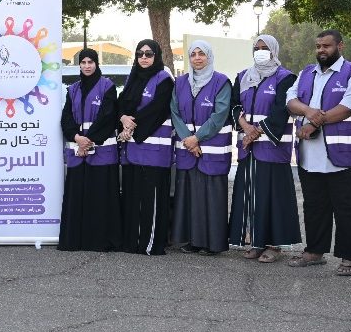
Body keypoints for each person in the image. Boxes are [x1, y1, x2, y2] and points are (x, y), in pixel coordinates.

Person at [285, 30, 351, 276]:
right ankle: (314, 251)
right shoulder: (305, 73)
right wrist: (308, 111)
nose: (321, 50)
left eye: (326, 46)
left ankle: (350, 258)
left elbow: (347, 108)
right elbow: (290, 100)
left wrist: (313, 123)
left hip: (347, 157)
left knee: (348, 210)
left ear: (340, 46)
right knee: (314, 207)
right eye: (318, 46)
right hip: (310, 156)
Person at [229, 35, 300, 263]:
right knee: (251, 196)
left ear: (274, 51)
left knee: (273, 197)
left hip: (272, 148)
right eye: (256, 48)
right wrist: (245, 127)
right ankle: (256, 242)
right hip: (248, 149)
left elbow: (281, 110)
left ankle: (274, 245)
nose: (260, 51)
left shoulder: (285, 77)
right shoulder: (243, 76)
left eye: (265, 48)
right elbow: (234, 105)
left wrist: (256, 131)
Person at [169, 41, 233, 255]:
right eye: (193, 54)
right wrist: (188, 140)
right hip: (188, 150)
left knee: (212, 197)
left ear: (209, 56)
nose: (197, 58)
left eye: (202, 54)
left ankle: (213, 244)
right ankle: (192, 240)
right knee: (189, 197)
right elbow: (175, 113)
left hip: (212, 151)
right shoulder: (180, 83)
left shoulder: (221, 82)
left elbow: (220, 115)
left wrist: (197, 138)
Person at [58, 48, 122, 250]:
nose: (87, 66)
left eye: (90, 62)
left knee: (100, 199)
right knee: (77, 199)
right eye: (83, 62)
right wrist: (77, 138)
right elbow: (66, 118)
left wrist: (88, 141)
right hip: (78, 153)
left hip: (101, 153)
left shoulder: (107, 86)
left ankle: (99, 242)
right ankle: (76, 242)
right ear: (79, 65)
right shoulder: (72, 89)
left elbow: (108, 116)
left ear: (96, 63)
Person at [118, 40, 176, 255]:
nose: (144, 57)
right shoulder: (132, 77)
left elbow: (157, 110)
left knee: (152, 200)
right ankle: (132, 243)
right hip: (133, 149)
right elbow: (121, 103)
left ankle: (150, 244)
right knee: (133, 197)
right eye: (140, 53)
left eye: (149, 54)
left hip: (154, 151)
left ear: (156, 56)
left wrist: (131, 127)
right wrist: (122, 118)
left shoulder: (164, 79)